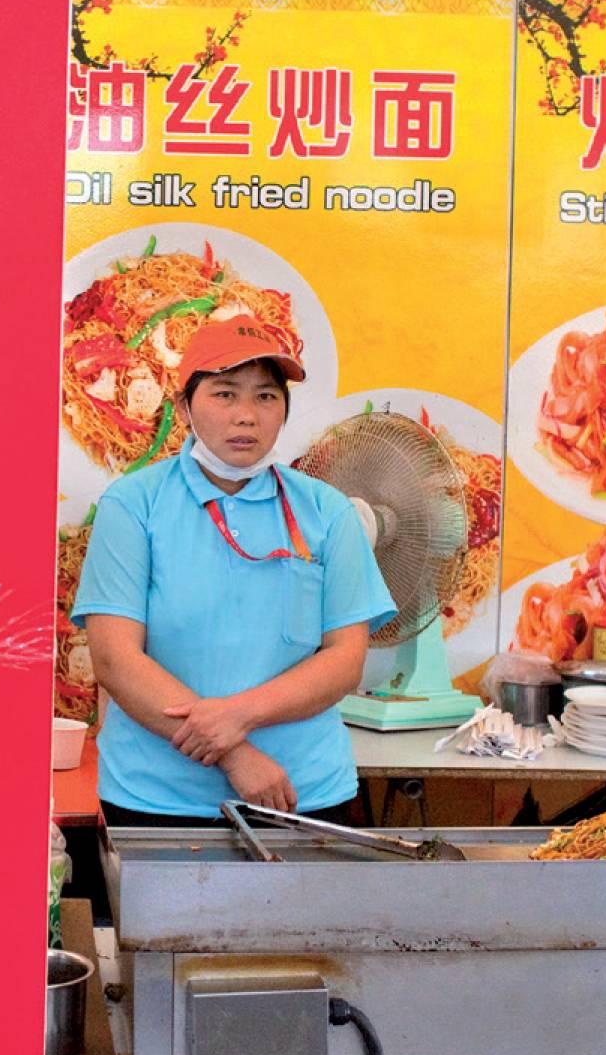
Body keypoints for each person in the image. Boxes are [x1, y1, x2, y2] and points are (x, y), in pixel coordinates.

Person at [72, 318, 396, 825]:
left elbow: (344, 659)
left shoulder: (327, 511)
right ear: (183, 408)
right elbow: (115, 659)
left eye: (266, 397)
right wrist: (234, 754)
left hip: (303, 792)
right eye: (225, 394)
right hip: (156, 797)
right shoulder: (133, 505)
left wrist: (238, 715)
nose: (246, 415)